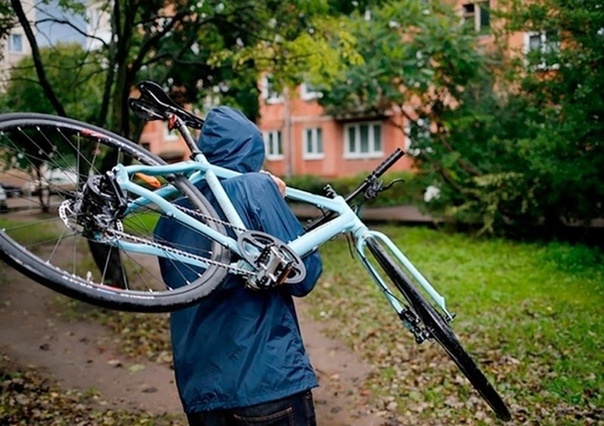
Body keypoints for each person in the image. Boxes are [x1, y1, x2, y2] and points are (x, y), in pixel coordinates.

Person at [153, 106, 323, 426]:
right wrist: (276, 199)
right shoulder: (253, 187)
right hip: (266, 382)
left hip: (200, 393)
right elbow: (305, 275)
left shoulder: (171, 212)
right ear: (252, 148)